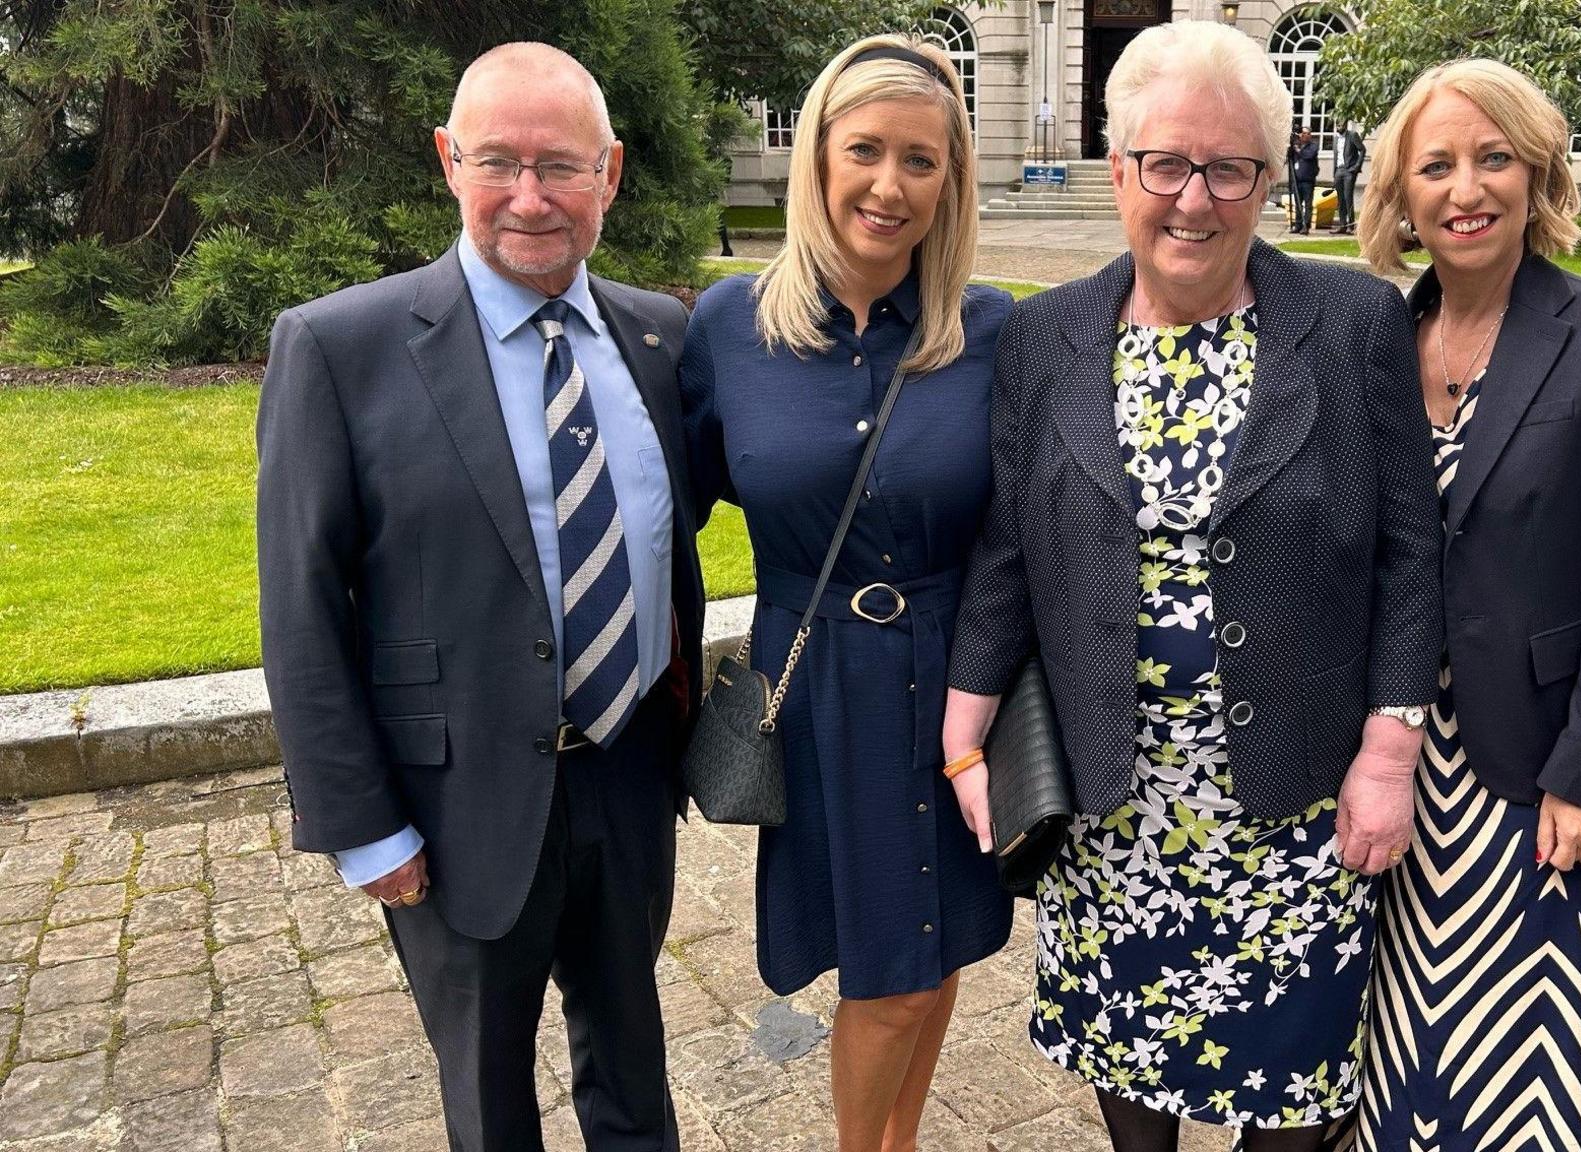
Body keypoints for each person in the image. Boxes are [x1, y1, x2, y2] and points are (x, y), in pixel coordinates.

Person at [943, 21, 1442, 1151]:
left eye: (1228, 168)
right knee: (1129, 1062)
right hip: (1115, 801)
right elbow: (1009, 553)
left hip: (1298, 806)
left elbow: (1412, 552)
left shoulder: (1354, 323)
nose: (1194, 199)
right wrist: (965, 728)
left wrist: (1388, 751)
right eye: (1165, 164)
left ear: (1268, 176)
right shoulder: (1044, 335)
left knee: (1296, 1088)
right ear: (1118, 168)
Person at [256, 43, 700, 1151]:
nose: (531, 197)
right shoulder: (340, 348)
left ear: (612, 172)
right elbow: (301, 611)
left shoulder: (662, 338)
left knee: (633, 1070)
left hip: (630, 778)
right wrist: (363, 829)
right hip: (452, 813)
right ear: (449, 161)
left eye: (562, 165)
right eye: (499, 160)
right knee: (489, 1103)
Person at [1344, 57, 1581, 1151]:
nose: (1464, 189)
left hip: (1537, 773)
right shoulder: (1377, 346)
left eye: (1491, 159)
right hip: (1395, 768)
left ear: (1536, 175)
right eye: (1434, 165)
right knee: (1394, 1061)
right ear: (1399, 192)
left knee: (1520, 1087)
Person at [678, 35, 1013, 1152]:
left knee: (932, 950)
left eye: (921, 160)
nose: (888, 184)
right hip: (818, 683)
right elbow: (661, 516)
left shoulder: (992, 333)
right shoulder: (727, 330)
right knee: (891, 966)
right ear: (817, 156)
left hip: (954, 683)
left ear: (950, 179)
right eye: (863, 150)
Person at [1329, 123, 1364, 232]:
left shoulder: (1352, 135)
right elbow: (1336, 156)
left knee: (1348, 197)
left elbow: (1362, 150)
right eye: (1338, 125)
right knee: (1340, 199)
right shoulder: (1335, 139)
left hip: (1349, 170)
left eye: (1341, 125)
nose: (1339, 127)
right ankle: (1342, 225)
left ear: (1345, 125)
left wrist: (1356, 167)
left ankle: (1351, 225)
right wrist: (1334, 173)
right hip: (1338, 170)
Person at [1286, 125, 1319, 233]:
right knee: (1297, 203)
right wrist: (1291, 146)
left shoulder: (1313, 146)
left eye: (1307, 133)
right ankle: (1298, 224)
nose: (1305, 135)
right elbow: (1288, 156)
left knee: (1308, 204)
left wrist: (1297, 149)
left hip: (1308, 180)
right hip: (1297, 180)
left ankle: (1306, 225)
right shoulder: (1296, 146)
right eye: (1303, 133)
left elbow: (1308, 156)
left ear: (1310, 135)